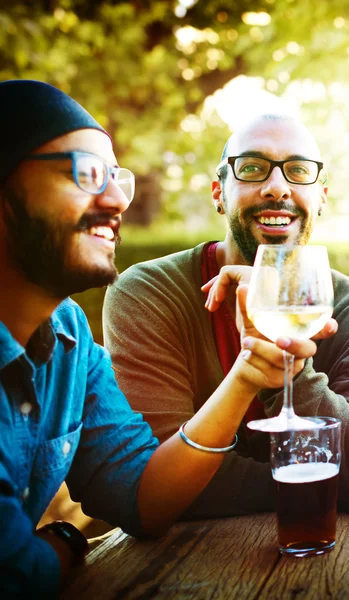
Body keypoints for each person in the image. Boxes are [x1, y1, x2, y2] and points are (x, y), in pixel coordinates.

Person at [0, 80, 319, 597]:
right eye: (85, 174)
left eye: (115, 178)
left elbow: (143, 498)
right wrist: (60, 543)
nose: (115, 200)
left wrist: (247, 377)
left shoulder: (71, 338)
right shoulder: (142, 295)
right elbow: (13, 572)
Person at [103, 113, 349, 517]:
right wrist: (321, 481)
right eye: (251, 169)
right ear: (218, 193)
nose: (277, 188)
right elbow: (155, 478)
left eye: (298, 171)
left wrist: (294, 375)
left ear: (322, 197)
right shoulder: (148, 294)